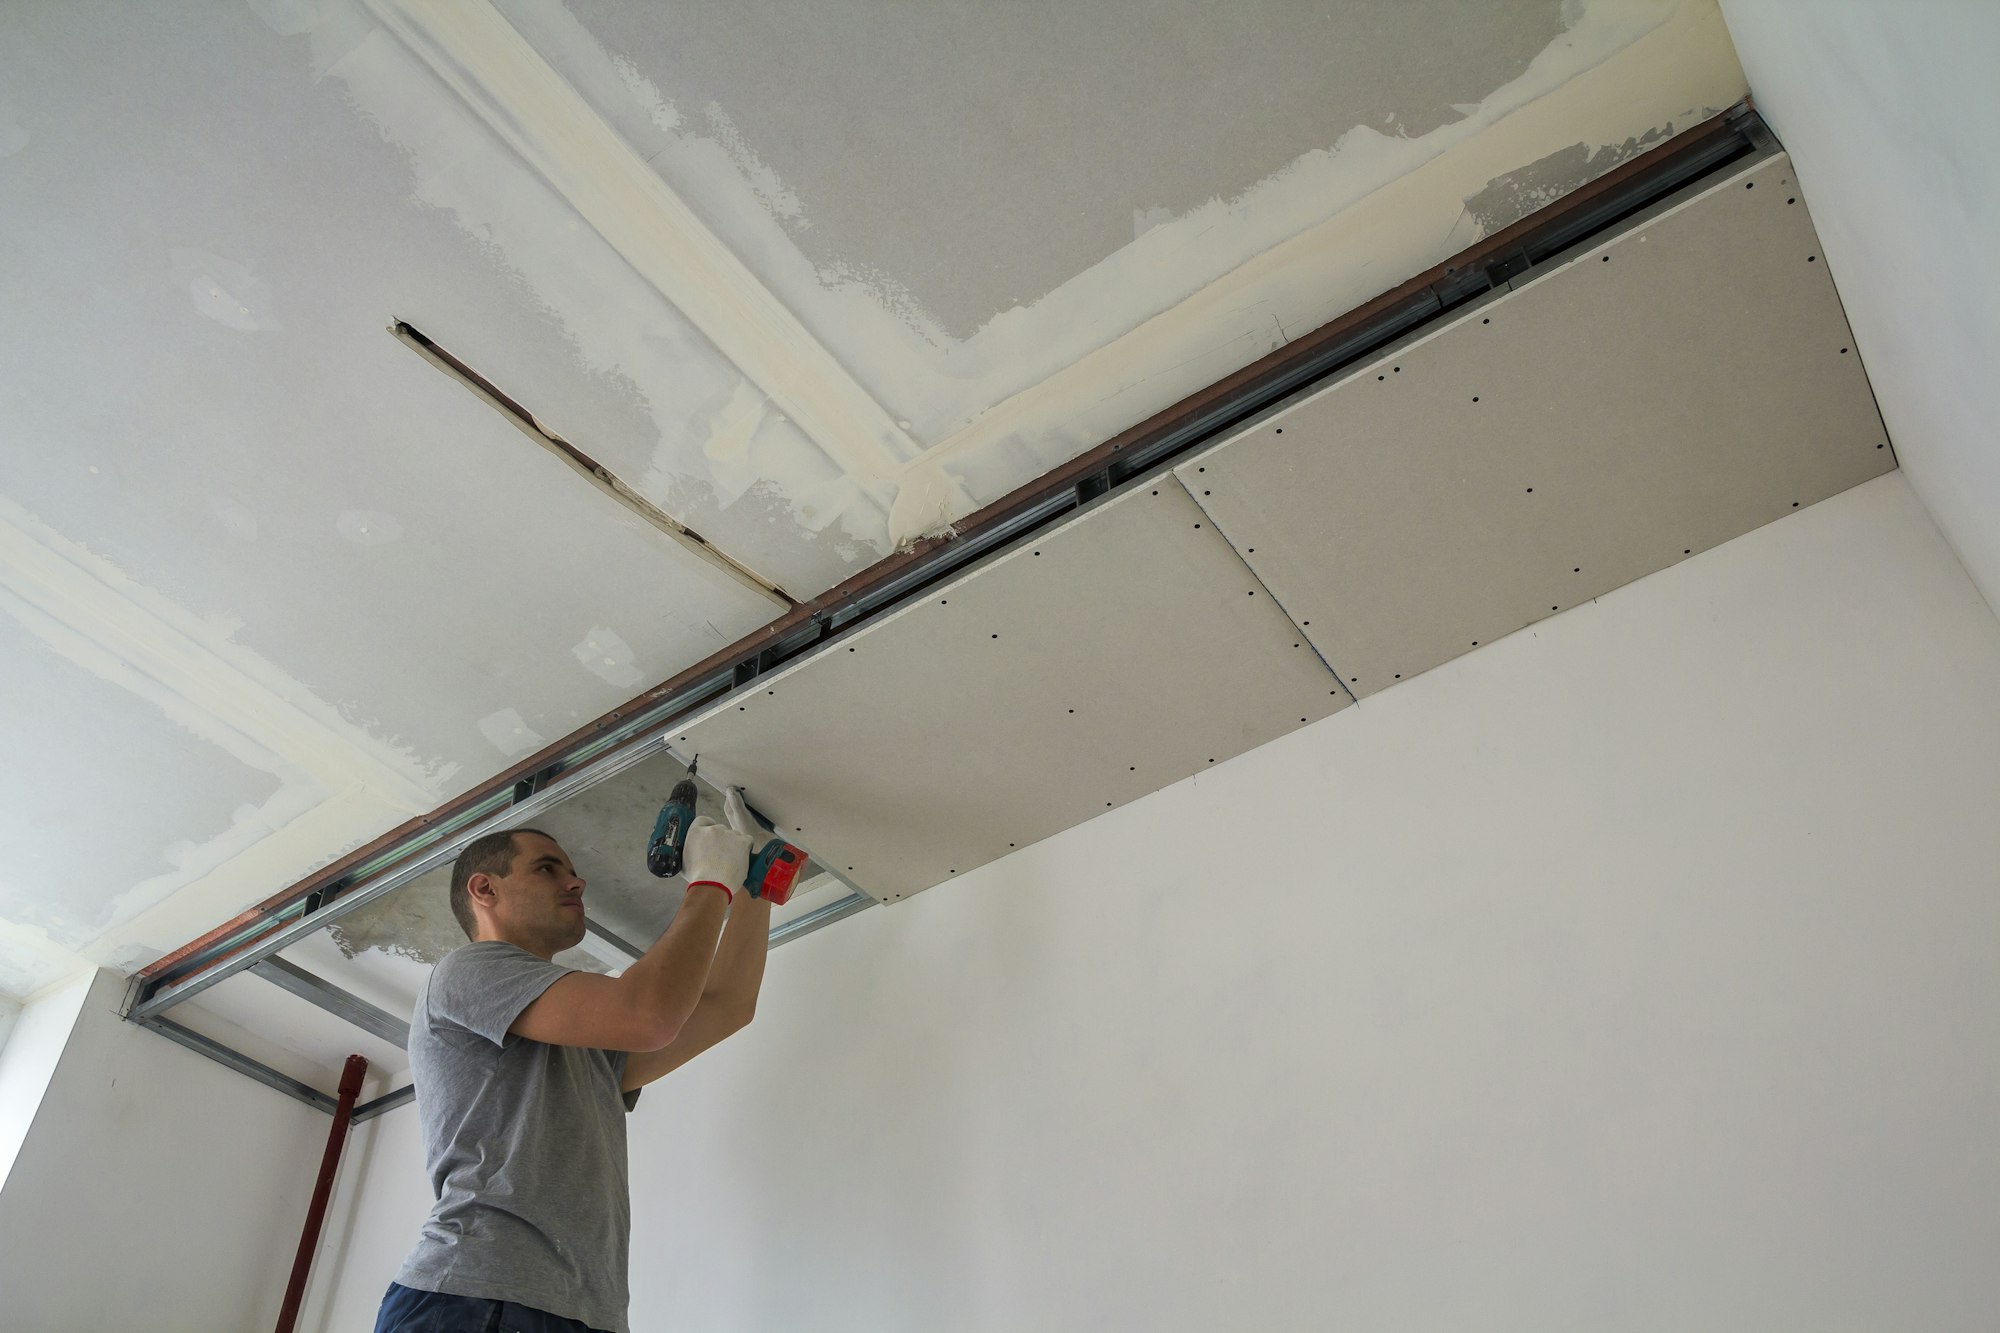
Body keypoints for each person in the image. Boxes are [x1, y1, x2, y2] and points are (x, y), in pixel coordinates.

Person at [374, 792, 769, 1333]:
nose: (577, 882)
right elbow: (648, 1016)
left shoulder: (585, 1041)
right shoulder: (466, 972)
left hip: (582, 1309)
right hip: (477, 1291)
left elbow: (725, 1008)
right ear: (483, 889)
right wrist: (711, 883)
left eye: (571, 871)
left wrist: (753, 884)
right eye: (546, 868)